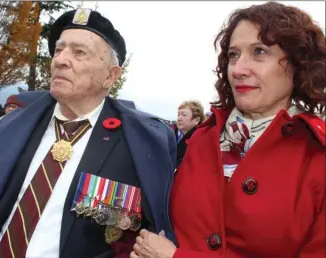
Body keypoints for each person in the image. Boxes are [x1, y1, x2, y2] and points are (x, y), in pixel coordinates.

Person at [0, 8, 177, 258]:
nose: (60, 60)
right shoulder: (10, 127)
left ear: (110, 76)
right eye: (59, 50)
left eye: (79, 52)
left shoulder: (141, 144)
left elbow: (148, 234)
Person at [132, 2, 325, 258]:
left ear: (297, 64)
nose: (238, 70)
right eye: (233, 55)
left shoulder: (317, 155)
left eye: (259, 52)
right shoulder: (202, 138)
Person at [174, 100, 204, 166]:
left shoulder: (202, 140)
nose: (179, 118)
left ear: (196, 120)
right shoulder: (169, 134)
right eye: (178, 114)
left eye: (184, 115)